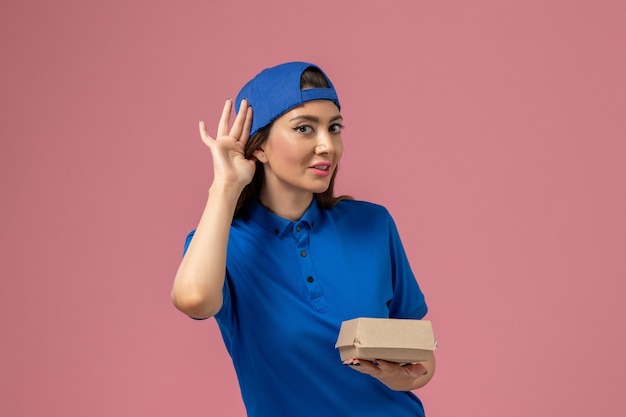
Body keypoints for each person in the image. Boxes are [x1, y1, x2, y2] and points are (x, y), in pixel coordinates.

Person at [171, 62, 435, 416]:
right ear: (259, 148)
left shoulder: (373, 225)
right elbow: (194, 300)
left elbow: (423, 361)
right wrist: (225, 185)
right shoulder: (224, 245)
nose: (327, 145)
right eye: (305, 129)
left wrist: (403, 376)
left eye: (334, 127)